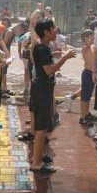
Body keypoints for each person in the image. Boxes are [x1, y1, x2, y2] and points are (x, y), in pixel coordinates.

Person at [29, 18, 76, 173]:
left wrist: (55, 54)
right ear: (46, 32)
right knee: (42, 126)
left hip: (42, 89)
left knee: (43, 125)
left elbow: (43, 64)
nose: (56, 30)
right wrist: (65, 57)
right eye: (53, 28)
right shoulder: (42, 49)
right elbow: (49, 70)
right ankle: (36, 163)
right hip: (42, 90)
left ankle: (39, 155)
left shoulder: (43, 47)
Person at [78, 30, 97, 125]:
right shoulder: (86, 48)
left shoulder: (92, 47)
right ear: (86, 38)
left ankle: (86, 113)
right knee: (84, 97)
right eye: (91, 36)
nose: (93, 38)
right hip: (87, 73)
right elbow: (90, 47)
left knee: (87, 96)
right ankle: (83, 116)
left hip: (90, 73)